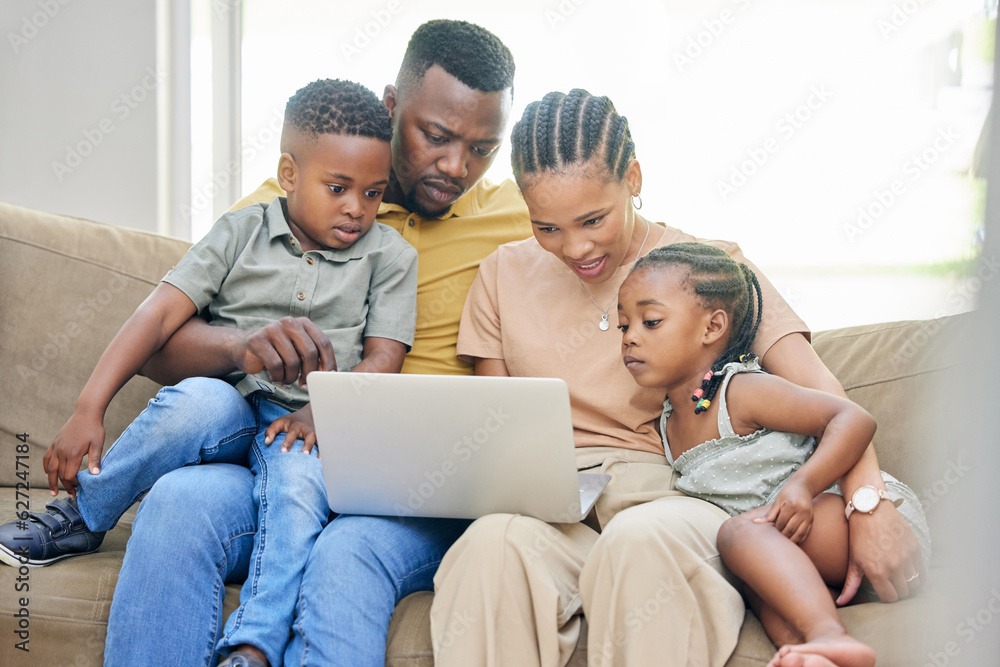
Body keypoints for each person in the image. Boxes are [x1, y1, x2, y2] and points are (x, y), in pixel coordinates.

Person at [430, 88, 928, 667]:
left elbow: (822, 392)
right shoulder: (502, 275)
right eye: (548, 228)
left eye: (593, 219)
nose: (576, 248)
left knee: (641, 542)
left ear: (633, 178)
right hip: (557, 501)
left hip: (676, 496)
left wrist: (869, 504)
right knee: (489, 548)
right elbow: (502, 429)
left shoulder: (706, 270)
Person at [98, 20, 527, 667]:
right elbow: (160, 348)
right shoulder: (288, 204)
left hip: (417, 493)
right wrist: (243, 344)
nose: (456, 166)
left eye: (482, 148)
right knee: (178, 502)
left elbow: (641, 246)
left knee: (343, 552)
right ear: (391, 107)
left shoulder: (521, 217)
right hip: (290, 456)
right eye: (436, 136)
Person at [0, 78, 418, 667]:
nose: (357, 207)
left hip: (302, 425)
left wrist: (330, 407)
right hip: (226, 409)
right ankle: (86, 514)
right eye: (338, 187)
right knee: (197, 399)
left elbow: (384, 358)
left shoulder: (392, 256)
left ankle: (253, 644)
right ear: (290, 174)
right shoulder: (239, 232)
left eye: (373, 193)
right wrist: (87, 407)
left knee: (300, 489)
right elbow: (157, 316)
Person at [617, 242, 931, 667]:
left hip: (860, 518)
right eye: (623, 326)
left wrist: (804, 485)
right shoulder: (668, 421)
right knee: (747, 574)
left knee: (738, 535)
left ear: (712, 328)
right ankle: (811, 653)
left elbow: (852, 419)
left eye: (650, 322)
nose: (631, 337)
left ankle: (830, 635)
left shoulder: (740, 390)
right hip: (793, 547)